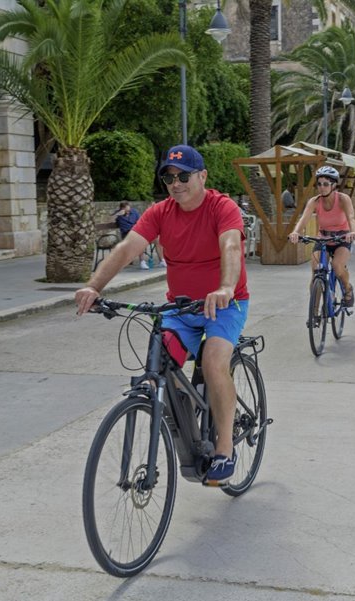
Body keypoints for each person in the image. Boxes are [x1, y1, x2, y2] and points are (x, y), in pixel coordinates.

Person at [75, 144, 248, 486]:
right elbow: (127, 249)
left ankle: (225, 449)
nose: (176, 183)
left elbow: (230, 245)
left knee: (214, 363)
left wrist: (226, 286)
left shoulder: (222, 207)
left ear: (202, 176)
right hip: (180, 308)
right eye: (169, 176)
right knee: (158, 366)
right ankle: (183, 420)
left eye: (184, 176)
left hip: (225, 304)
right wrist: (94, 287)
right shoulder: (160, 212)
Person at [288, 165, 355, 307]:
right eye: (319, 184)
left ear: (334, 185)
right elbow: (304, 219)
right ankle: (314, 312)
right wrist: (296, 232)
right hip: (323, 239)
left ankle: (348, 288)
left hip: (342, 239)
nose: (322, 187)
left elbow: (351, 216)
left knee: (337, 266)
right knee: (316, 273)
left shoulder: (343, 199)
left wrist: (352, 231)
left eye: (326, 184)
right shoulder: (314, 201)